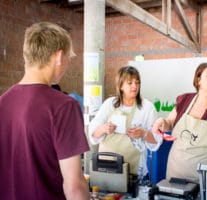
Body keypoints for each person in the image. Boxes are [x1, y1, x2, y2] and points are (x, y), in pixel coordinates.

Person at [0, 22, 90, 200]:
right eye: (68, 58)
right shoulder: (64, 106)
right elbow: (74, 186)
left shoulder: (2, 102)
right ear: (58, 57)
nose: (66, 65)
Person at [88, 66, 163, 181]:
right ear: (120, 86)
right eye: (130, 83)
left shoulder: (147, 108)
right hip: (106, 167)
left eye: (137, 83)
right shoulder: (109, 104)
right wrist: (104, 128)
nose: (135, 86)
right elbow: (93, 133)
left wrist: (143, 134)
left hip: (133, 170)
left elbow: (157, 139)